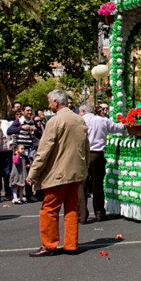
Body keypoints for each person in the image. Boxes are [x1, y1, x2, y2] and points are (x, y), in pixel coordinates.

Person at [26, 89, 89, 257]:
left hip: (58, 173)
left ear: (56, 102)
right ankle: (71, 244)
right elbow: (86, 148)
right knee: (71, 208)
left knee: (49, 209)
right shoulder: (79, 120)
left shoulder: (55, 121)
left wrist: (33, 173)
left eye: (49, 101)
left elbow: (44, 150)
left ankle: (49, 244)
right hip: (76, 172)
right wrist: (84, 168)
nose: (48, 105)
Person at [78, 103, 126, 223]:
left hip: (83, 154)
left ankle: (82, 215)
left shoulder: (80, 121)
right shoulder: (102, 120)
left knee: (82, 185)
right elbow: (117, 128)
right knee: (97, 184)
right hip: (97, 154)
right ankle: (99, 212)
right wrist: (126, 123)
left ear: (83, 111)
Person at [7, 104, 43, 201]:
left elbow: (40, 134)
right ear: (22, 112)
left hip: (30, 151)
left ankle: (29, 194)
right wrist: (22, 128)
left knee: (29, 173)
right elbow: (9, 131)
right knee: (18, 172)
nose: (29, 112)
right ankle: (15, 194)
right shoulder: (18, 122)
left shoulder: (33, 122)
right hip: (20, 152)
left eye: (30, 110)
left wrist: (36, 129)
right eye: (27, 110)